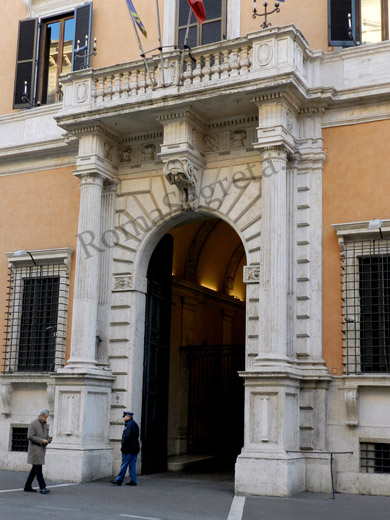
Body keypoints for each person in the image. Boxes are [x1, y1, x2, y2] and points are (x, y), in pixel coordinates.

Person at [24, 408, 52, 494]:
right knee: (38, 469)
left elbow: (45, 435)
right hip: (35, 451)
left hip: (41, 450)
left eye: (47, 417)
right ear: (41, 416)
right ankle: (42, 487)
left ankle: (27, 486)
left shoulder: (45, 424)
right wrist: (41, 441)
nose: (46, 419)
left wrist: (48, 439)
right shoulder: (33, 424)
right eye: (45, 417)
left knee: (35, 469)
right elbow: (30, 436)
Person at [111, 411, 140, 486]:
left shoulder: (129, 425)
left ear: (128, 416)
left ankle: (119, 480)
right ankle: (133, 481)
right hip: (134, 448)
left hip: (128, 449)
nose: (123, 418)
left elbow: (126, 437)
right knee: (132, 465)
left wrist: (123, 446)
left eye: (124, 416)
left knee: (124, 464)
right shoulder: (134, 424)